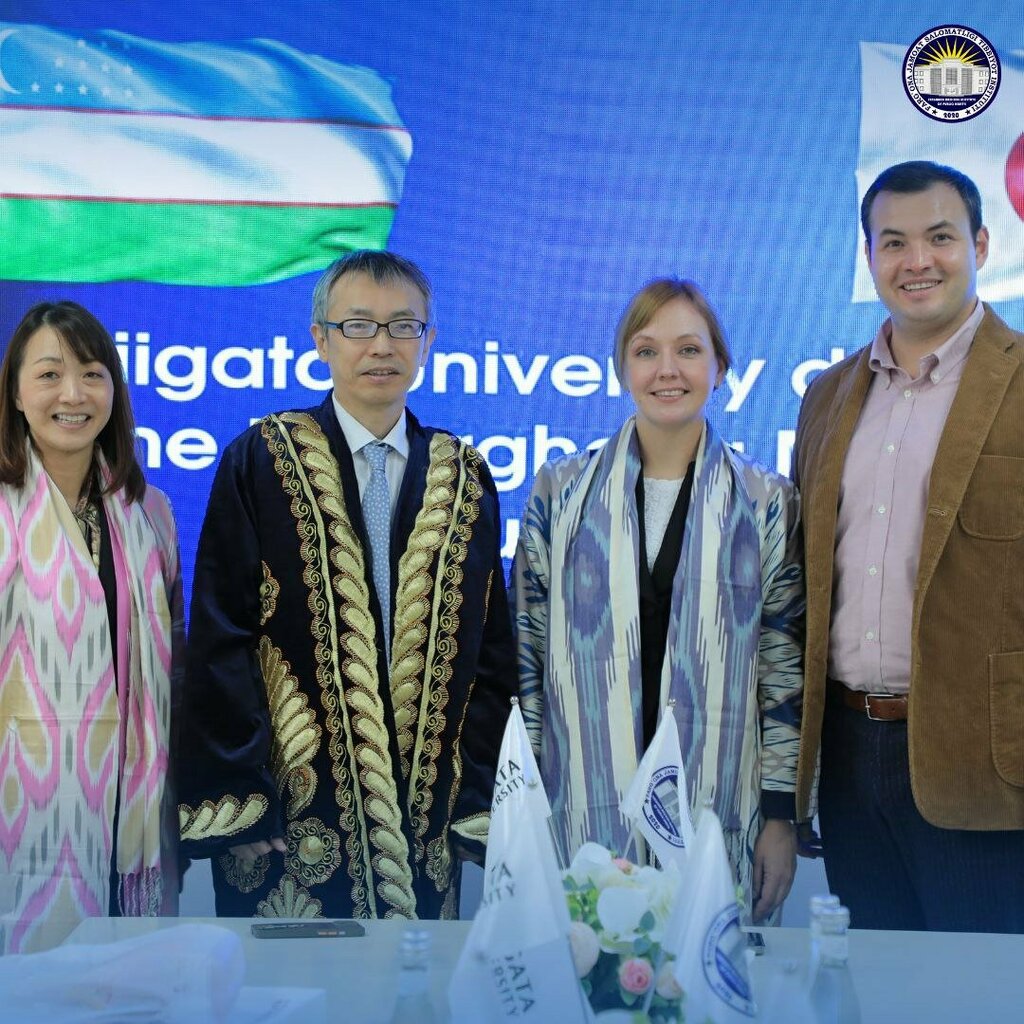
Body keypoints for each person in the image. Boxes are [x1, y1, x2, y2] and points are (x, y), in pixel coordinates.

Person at [179, 250, 516, 920]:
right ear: (321, 339)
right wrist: (240, 796)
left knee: (416, 981)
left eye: (403, 326)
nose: (381, 346)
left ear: (428, 341)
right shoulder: (260, 459)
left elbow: (490, 655)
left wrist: (477, 802)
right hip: (290, 822)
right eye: (358, 325)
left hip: (424, 821)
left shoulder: (465, 475)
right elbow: (221, 638)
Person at [512, 278, 805, 922]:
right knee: (592, 967)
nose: (667, 370)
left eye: (688, 350)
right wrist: (524, 807)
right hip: (579, 810)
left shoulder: (767, 503)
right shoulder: (559, 493)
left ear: (720, 367)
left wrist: (781, 817)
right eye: (646, 351)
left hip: (720, 809)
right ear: (621, 368)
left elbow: (784, 674)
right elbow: (527, 660)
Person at [793, 160, 1024, 932]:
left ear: (981, 246)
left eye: (939, 237)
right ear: (869, 257)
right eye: (893, 242)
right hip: (848, 763)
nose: (916, 260)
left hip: (989, 769)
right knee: (875, 983)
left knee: (982, 988)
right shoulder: (827, 396)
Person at [0, 301, 183, 953]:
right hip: (19, 812)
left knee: (123, 982)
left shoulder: (150, 512)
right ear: (15, 393)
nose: (73, 395)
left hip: (131, 811)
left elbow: (176, 662)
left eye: (92, 374)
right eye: (50, 375)